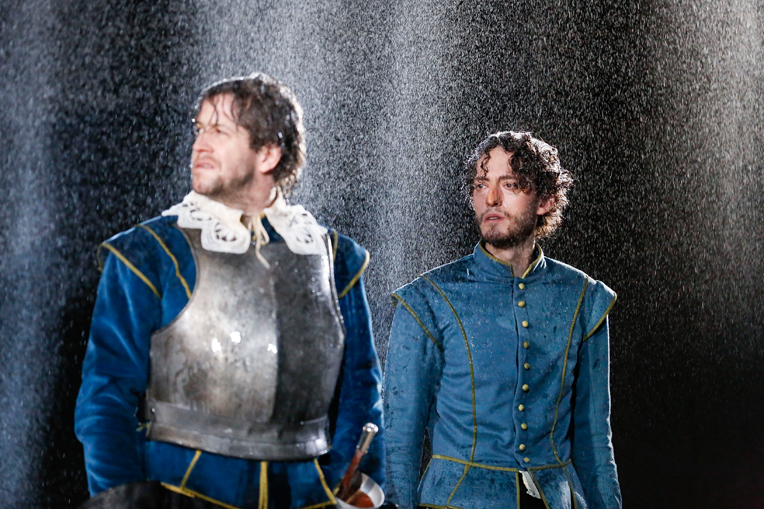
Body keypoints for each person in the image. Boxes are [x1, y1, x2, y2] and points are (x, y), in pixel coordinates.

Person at [75, 73, 384, 509]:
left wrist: (345, 488)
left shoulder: (336, 259)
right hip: (180, 496)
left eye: (219, 131)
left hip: (305, 498)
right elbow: (105, 399)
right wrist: (122, 502)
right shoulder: (148, 253)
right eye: (200, 129)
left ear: (268, 154)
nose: (200, 145)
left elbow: (361, 391)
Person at [383, 131, 621, 509]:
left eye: (509, 184)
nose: (491, 198)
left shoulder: (583, 298)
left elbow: (594, 440)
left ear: (546, 200)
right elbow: (398, 439)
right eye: (481, 185)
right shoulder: (427, 299)